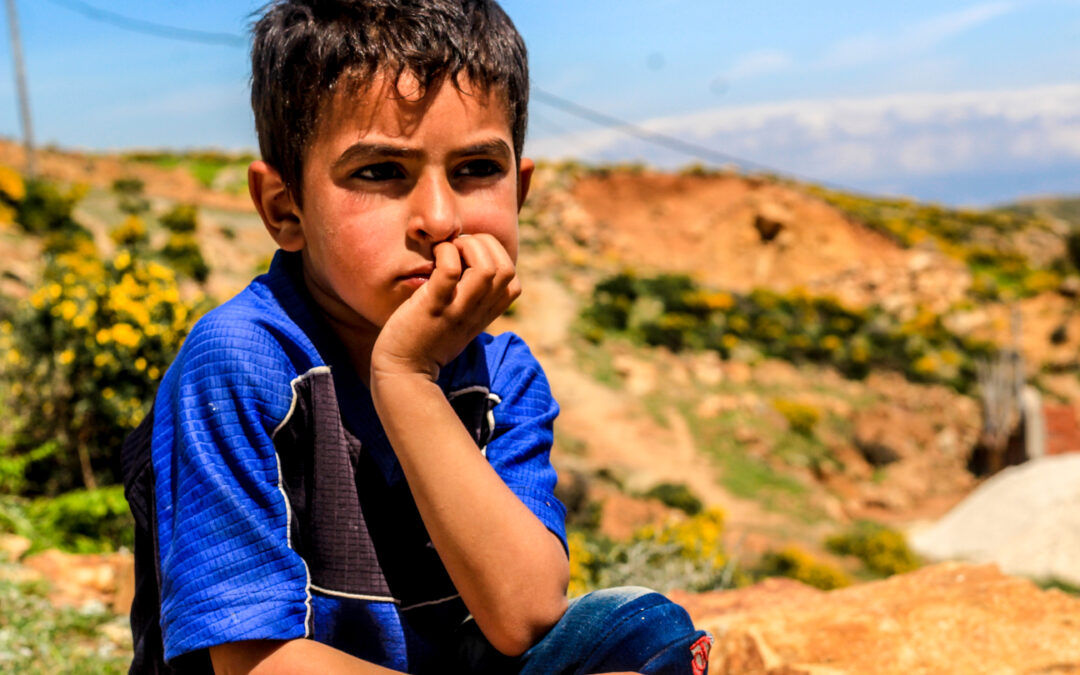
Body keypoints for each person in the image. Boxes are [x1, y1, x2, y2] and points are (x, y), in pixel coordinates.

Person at [121, 1, 713, 673]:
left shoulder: (500, 374)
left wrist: (406, 380)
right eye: (379, 172)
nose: (438, 218)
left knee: (644, 632)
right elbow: (254, 663)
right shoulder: (239, 363)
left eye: (476, 170)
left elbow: (523, 614)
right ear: (285, 209)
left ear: (519, 192)